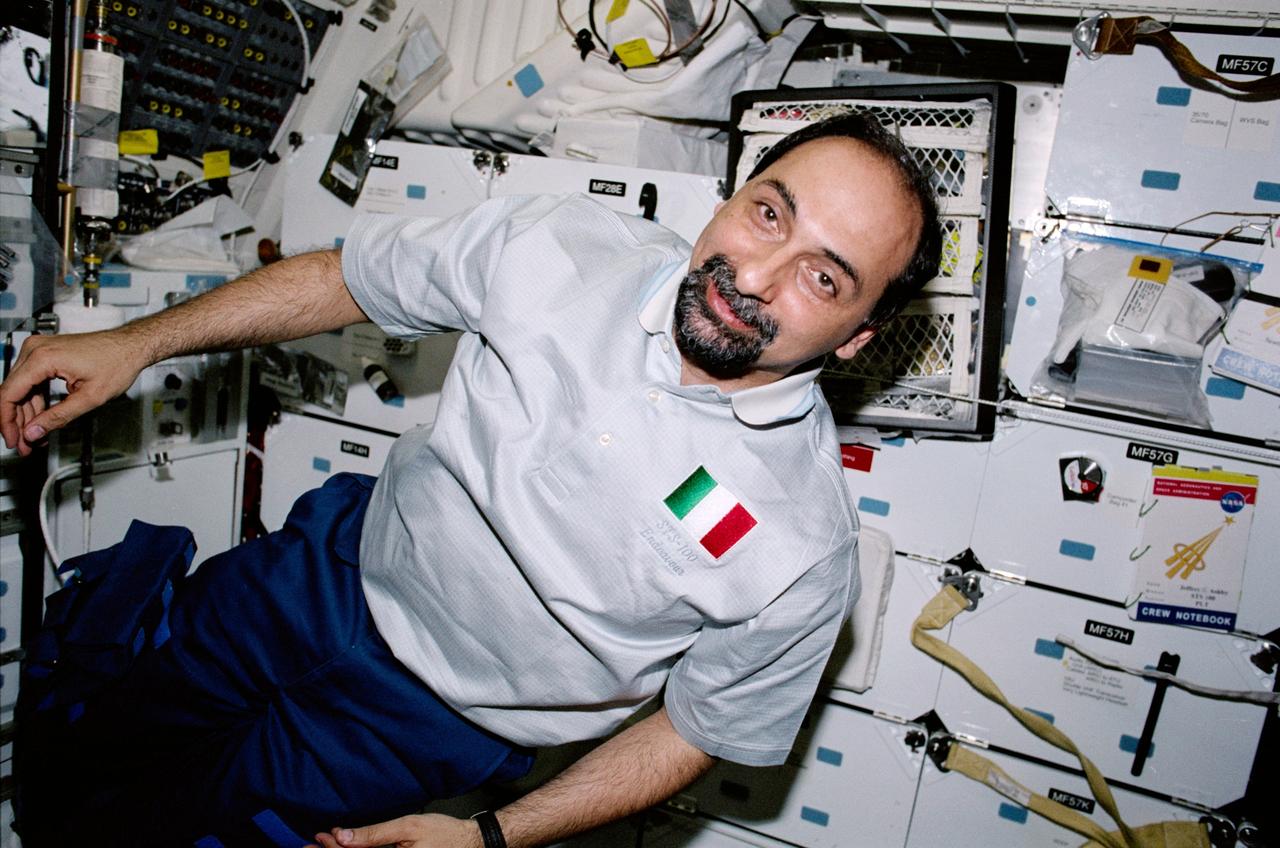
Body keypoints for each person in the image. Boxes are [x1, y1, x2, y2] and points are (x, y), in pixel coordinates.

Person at [0, 111, 940, 848]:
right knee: (97, 725)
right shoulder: (567, 247)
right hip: (318, 574)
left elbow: (693, 730)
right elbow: (354, 279)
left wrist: (490, 835)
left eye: (824, 277)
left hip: (416, 727)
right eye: (768, 213)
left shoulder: (802, 551)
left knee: (189, 835)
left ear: (857, 338)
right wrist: (136, 340)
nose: (756, 273)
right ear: (736, 196)